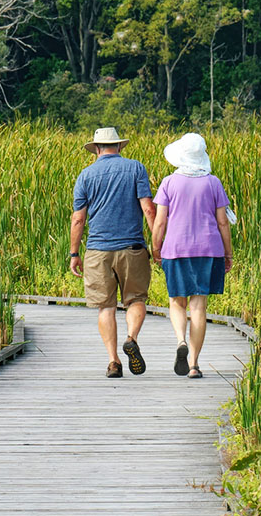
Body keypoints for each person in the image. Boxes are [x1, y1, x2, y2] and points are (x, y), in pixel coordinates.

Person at [70, 127, 157, 378]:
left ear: (97, 148)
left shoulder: (85, 175)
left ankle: (113, 362)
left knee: (105, 307)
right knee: (136, 299)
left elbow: (78, 219)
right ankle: (131, 337)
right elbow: (149, 209)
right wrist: (159, 244)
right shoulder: (135, 168)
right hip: (132, 248)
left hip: (98, 250)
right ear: (119, 146)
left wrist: (74, 253)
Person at [151, 133, 234, 379]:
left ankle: (180, 341)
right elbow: (223, 222)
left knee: (177, 301)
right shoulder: (213, 183)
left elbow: (159, 222)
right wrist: (228, 253)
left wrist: (156, 248)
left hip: (176, 249)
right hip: (208, 249)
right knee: (199, 306)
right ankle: (195, 364)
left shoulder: (168, 182)